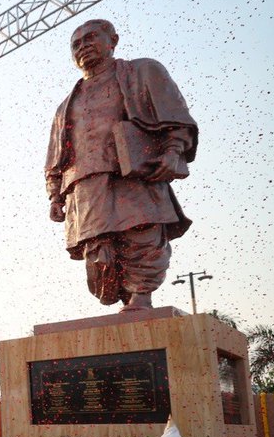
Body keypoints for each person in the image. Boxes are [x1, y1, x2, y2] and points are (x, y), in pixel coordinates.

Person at [45, 19, 198, 312]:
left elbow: (175, 116)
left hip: (135, 173)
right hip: (85, 187)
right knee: (100, 259)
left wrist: (172, 151)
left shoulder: (143, 72)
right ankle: (126, 300)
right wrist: (55, 195)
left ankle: (141, 298)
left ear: (112, 40)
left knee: (142, 238)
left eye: (90, 38)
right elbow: (55, 157)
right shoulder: (65, 105)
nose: (83, 46)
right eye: (76, 44)